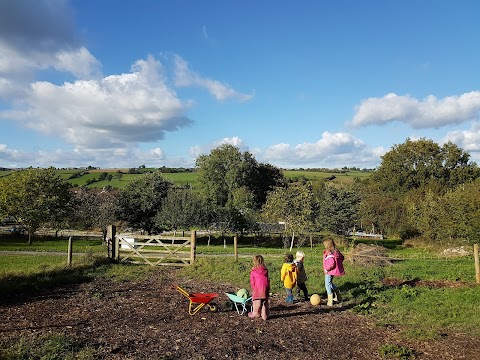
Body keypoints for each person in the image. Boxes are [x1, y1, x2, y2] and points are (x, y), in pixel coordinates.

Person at [323, 238, 345, 306]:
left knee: (327, 284)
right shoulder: (336, 251)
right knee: (330, 283)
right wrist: (338, 263)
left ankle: (330, 300)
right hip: (333, 271)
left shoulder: (330, 253)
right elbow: (342, 257)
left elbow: (331, 263)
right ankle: (338, 295)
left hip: (329, 271)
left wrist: (327, 269)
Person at [248, 255, 270, 320]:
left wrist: (253, 289)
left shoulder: (253, 272)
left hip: (258, 289)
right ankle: (264, 316)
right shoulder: (265, 271)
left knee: (256, 302)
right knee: (264, 303)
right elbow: (268, 279)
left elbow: (252, 282)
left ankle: (255, 314)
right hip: (265, 288)